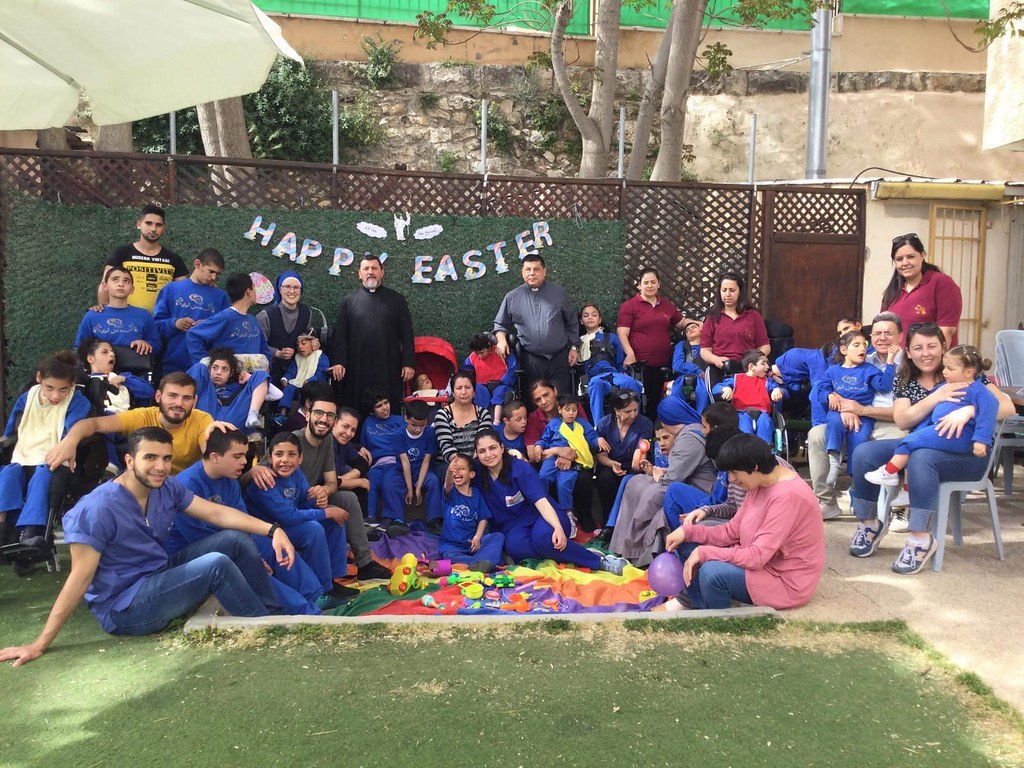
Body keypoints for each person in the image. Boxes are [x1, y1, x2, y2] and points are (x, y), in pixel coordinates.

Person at [0, 427, 295, 666]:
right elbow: (79, 579)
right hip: (123, 606)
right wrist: (40, 643)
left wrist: (273, 530)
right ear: (129, 461)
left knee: (234, 540)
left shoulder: (166, 487)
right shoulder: (97, 508)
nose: (160, 467)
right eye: (150, 457)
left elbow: (216, 513)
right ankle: (264, 629)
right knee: (215, 565)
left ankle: (272, 613)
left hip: (156, 574)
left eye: (166, 458)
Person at [846, 323, 1015, 575]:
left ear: (943, 347)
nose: (926, 353)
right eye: (918, 347)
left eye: (932, 346)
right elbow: (903, 420)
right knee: (864, 453)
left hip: (968, 453)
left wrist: (970, 410)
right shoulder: (905, 378)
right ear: (908, 352)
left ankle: (919, 538)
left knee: (921, 458)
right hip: (921, 442)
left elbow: (1007, 407)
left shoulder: (965, 372)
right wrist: (935, 397)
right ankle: (869, 524)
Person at [171, 429, 341, 615]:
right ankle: (304, 609)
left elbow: (242, 520)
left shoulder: (229, 479)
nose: (245, 462)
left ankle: (314, 596)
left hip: (229, 540)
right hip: (188, 554)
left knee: (269, 544)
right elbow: (196, 536)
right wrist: (252, 557)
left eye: (245, 455)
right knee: (248, 561)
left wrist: (259, 549)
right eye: (237, 456)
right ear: (215, 457)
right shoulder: (188, 483)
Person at [659, 434, 824, 611]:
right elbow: (731, 531)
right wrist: (687, 532)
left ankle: (721, 620)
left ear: (754, 467)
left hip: (784, 580)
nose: (731, 479)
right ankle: (699, 605)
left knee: (712, 573)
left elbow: (757, 557)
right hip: (763, 564)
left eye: (734, 472)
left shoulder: (788, 496)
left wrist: (705, 552)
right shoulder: (759, 483)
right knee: (686, 540)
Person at [251, 397, 391, 582]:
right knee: (322, 522)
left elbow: (332, 482)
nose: (324, 419)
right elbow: (260, 478)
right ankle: (322, 582)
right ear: (307, 415)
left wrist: (324, 491)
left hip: (305, 500)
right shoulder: (291, 442)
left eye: (329, 415)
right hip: (280, 514)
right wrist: (252, 471)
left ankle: (356, 568)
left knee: (346, 501)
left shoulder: (326, 442)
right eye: (319, 413)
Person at [472, 430, 628, 574]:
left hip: (544, 515)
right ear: (476, 454)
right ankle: (570, 554)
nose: (488, 455)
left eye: (492, 448)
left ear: (502, 447)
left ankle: (599, 561)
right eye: (482, 451)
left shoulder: (519, 468)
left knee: (544, 540)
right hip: (514, 525)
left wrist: (557, 527)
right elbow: (459, 470)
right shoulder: (477, 471)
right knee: (516, 549)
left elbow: (541, 501)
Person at [805, 312, 906, 521]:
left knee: (904, 441)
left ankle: (899, 508)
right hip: (850, 418)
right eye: (877, 334)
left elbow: (903, 409)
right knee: (817, 435)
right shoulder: (861, 359)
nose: (882, 338)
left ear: (900, 336)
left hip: (891, 422)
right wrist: (839, 402)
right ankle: (826, 501)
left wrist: (861, 410)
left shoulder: (908, 364)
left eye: (888, 333)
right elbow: (826, 387)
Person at [44, 372, 228, 476]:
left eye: (186, 398)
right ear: (158, 396)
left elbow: (210, 456)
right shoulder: (143, 416)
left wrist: (218, 443)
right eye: (172, 396)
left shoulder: (202, 419)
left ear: (194, 401)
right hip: (147, 486)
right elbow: (92, 424)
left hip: (186, 491)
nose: (179, 403)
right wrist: (69, 442)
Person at [865, 346, 999, 487]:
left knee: (910, 441)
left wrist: (981, 440)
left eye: (950, 369)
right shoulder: (946, 386)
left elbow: (988, 413)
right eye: (945, 367)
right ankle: (907, 489)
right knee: (912, 444)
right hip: (941, 430)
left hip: (958, 435)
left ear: (968, 372)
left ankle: (889, 472)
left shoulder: (979, 391)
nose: (944, 371)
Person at [0, 351, 92, 548]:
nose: (55, 396)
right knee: (8, 474)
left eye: (63, 389)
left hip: (53, 457)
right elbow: (10, 431)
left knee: (42, 476)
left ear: (72, 384)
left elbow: (73, 431)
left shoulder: (78, 402)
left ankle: (30, 531)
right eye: (49, 388)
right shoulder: (27, 398)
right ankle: (2, 529)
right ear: (39, 378)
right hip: (24, 455)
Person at [242, 432, 351, 596]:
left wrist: (317, 500)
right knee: (313, 528)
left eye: (291, 454)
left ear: (300, 459)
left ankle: (332, 579)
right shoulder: (265, 480)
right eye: (279, 454)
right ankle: (322, 590)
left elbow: (304, 501)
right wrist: (326, 512)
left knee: (334, 521)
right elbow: (287, 516)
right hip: (269, 531)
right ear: (270, 458)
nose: (285, 460)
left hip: (288, 525)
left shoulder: (296, 473)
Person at [607, 408, 718, 565]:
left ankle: (638, 553)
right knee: (632, 482)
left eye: (666, 437)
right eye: (658, 439)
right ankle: (617, 542)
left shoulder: (690, 440)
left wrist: (660, 477)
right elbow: (678, 471)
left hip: (693, 492)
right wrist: (654, 471)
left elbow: (675, 478)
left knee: (653, 496)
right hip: (677, 484)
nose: (662, 443)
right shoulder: (682, 441)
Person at [329, 255, 415, 411]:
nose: (370, 272)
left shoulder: (397, 300)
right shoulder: (349, 301)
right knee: (355, 407)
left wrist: (408, 363)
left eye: (374, 268)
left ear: (382, 272)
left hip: (388, 366)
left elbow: (407, 335)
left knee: (388, 407)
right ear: (359, 273)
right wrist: (339, 362)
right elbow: (341, 336)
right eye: (366, 268)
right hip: (357, 367)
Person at [818, 330, 897, 486]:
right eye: (856, 345)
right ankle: (834, 459)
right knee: (834, 423)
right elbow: (821, 389)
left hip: (863, 416)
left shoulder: (869, 370)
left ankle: (855, 476)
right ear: (843, 350)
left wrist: (890, 363)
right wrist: (829, 395)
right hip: (837, 412)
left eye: (864, 345)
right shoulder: (833, 371)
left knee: (859, 438)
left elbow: (885, 386)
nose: (862, 349)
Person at [493, 254, 579, 396]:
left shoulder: (558, 292)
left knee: (562, 399)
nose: (532, 273)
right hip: (531, 360)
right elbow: (500, 324)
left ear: (544, 271)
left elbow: (572, 321)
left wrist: (574, 347)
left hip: (559, 359)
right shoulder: (512, 297)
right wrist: (501, 340)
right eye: (528, 269)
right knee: (536, 401)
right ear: (522, 272)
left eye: (536, 269)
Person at [617, 268, 694, 421]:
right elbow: (622, 333)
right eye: (646, 282)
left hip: (663, 365)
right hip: (640, 366)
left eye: (653, 282)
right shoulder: (629, 306)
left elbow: (681, 323)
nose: (650, 285)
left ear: (659, 284)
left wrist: (700, 324)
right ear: (639, 285)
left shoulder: (666, 305)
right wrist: (630, 353)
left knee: (659, 403)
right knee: (641, 404)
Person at [662, 402, 743, 528]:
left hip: (726, 516)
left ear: (715, 428)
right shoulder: (722, 450)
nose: (702, 431)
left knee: (673, 491)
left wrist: (703, 510)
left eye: (704, 427)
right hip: (716, 506)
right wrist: (702, 509)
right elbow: (728, 503)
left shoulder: (735, 456)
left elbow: (731, 506)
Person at [98, 205, 187, 313]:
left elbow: (183, 293)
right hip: (128, 320)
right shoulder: (121, 254)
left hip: (161, 321)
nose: (153, 229)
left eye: (158, 225)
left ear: (163, 229)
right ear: (139, 224)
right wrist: (104, 314)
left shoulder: (174, 259)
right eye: (148, 223)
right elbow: (104, 286)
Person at [153, 248, 229, 374]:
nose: (214, 277)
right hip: (172, 364)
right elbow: (155, 325)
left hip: (208, 367)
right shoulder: (171, 289)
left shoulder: (221, 297)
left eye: (218, 274)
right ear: (197, 264)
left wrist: (208, 326)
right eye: (211, 271)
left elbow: (226, 332)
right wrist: (175, 323)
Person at [881, 233, 962, 347]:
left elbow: (946, 332)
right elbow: (882, 328)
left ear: (923, 255)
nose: (905, 263)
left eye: (910, 257)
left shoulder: (941, 283)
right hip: (895, 357)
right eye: (899, 259)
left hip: (927, 357)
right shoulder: (893, 290)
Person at [537, 393, 600, 531]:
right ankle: (541, 508)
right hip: (553, 457)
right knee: (543, 477)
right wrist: (538, 446)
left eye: (574, 410)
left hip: (572, 461)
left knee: (564, 485)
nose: (571, 413)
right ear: (560, 410)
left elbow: (592, 436)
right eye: (567, 409)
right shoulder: (554, 424)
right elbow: (544, 440)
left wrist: (598, 440)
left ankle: (568, 515)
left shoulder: (581, 423)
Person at [381, 399, 443, 537]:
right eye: (414, 425)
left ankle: (434, 520)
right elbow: (405, 463)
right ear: (406, 418)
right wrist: (410, 489)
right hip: (402, 470)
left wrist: (418, 487)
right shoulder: (399, 435)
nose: (418, 429)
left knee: (433, 481)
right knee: (390, 483)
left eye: (422, 425)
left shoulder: (429, 433)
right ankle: (395, 519)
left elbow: (426, 461)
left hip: (422, 469)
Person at [594, 390, 654, 530]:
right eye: (628, 412)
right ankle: (608, 522)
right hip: (611, 464)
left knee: (633, 480)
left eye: (635, 410)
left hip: (633, 466)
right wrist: (611, 464)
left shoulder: (644, 423)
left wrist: (639, 459)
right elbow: (601, 455)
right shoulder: (605, 424)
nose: (633, 415)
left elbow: (642, 448)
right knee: (605, 478)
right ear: (617, 410)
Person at [186, 273, 272, 368]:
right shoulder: (225, 317)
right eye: (254, 288)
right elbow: (193, 335)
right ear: (249, 291)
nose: (256, 293)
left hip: (253, 376)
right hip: (231, 376)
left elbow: (264, 348)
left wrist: (268, 366)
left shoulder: (253, 320)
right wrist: (205, 365)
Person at [700, 272, 769, 388]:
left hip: (747, 368)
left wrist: (752, 361)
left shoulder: (753, 316)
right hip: (720, 369)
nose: (727, 294)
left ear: (740, 292)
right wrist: (715, 359)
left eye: (732, 290)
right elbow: (704, 350)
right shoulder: (712, 317)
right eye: (724, 290)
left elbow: (765, 346)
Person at [439, 453, 505, 572]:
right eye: (455, 469)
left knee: (498, 536)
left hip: (472, 545)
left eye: (462, 469)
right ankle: (483, 562)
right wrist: (449, 470)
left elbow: (483, 518)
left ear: (471, 474)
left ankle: (481, 562)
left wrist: (477, 537)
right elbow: (448, 483)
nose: (457, 472)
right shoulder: (451, 492)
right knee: (448, 556)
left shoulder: (476, 494)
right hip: (453, 547)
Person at [75, 266, 161, 356]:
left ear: (132, 289)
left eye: (126, 281)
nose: (121, 284)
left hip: (135, 364)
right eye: (115, 280)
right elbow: (80, 348)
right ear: (105, 286)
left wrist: (146, 345)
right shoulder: (92, 316)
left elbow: (157, 346)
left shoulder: (143, 315)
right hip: (101, 365)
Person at [579, 302, 641, 423]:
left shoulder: (612, 338)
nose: (590, 318)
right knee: (596, 384)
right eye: (586, 316)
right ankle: (599, 425)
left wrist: (623, 372)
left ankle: (636, 421)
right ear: (581, 321)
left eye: (594, 315)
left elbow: (619, 361)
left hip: (614, 374)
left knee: (630, 382)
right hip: (594, 377)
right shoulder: (579, 342)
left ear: (599, 319)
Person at [256, 271, 323, 382]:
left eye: (296, 287)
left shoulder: (306, 312)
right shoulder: (266, 315)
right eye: (287, 286)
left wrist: (313, 342)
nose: (292, 291)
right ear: (280, 289)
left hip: (297, 372)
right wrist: (277, 353)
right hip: (269, 372)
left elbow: (307, 334)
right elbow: (257, 345)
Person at [713, 348, 785, 445]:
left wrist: (777, 390)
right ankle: (745, 448)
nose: (768, 367)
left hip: (762, 413)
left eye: (767, 363)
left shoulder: (767, 381)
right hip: (741, 413)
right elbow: (715, 388)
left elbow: (780, 389)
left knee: (765, 422)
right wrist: (725, 388)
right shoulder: (736, 379)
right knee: (743, 423)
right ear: (751, 366)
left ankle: (765, 447)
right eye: (763, 364)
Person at [188, 348, 271, 431]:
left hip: (232, 416)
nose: (218, 372)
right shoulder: (205, 385)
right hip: (208, 414)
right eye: (215, 368)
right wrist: (213, 398)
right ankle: (188, 414)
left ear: (230, 373)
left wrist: (250, 378)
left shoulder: (239, 384)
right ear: (210, 369)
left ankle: (252, 415)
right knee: (199, 367)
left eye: (225, 369)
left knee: (261, 374)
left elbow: (276, 394)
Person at [361, 388, 408, 521]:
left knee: (389, 483)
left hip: (396, 462)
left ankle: (392, 519)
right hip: (376, 464)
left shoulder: (400, 421)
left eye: (386, 403)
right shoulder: (368, 422)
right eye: (379, 406)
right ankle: (370, 518)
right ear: (371, 411)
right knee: (370, 482)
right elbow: (364, 445)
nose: (384, 408)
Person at [79, 338, 154, 412]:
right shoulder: (82, 381)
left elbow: (149, 392)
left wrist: (124, 380)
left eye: (112, 352)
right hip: (94, 417)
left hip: (121, 417)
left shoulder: (123, 376)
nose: (112, 354)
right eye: (105, 352)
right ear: (90, 359)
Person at [433, 371, 490, 466]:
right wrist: (461, 465)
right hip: (449, 464)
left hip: (476, 462)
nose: (464, 392)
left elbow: (483, 443)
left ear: (474, 392)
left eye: (468, 387)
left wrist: (472, 465)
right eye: (459, 388)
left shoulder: (483, 414)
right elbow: (446, 445)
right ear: (453, 393)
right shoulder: (443, 415)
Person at [276, 329, 330, 422]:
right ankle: (282, 414)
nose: (300, 347)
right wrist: (285, 378)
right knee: (288, 389)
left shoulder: (321, 357)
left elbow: (322, 373)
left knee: (305, 393)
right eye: (298, 345)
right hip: (298, 383)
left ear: (313, 343)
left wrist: (311, 380)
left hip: (314, 386)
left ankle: (303, 415)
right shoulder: (297, 357)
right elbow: (292, 371)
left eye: (303, 343)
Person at [464, 332, 516, 423]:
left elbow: (513, 367)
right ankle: (481, 419)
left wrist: (505, 381)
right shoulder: (473, 357)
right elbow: (465, 369)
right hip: (482, 384)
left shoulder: (500, 350)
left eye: (482, 352)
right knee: (477, 390)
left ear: (489, 347)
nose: (479, 356)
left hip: (501, 384)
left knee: (500, 392)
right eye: (477, 353)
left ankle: (496, 421)